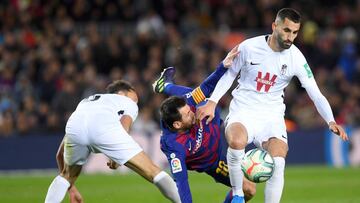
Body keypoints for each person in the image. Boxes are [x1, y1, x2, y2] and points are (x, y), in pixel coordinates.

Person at [196, 8, 349, 203]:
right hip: (244, 110)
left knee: (278, 159)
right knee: (236, 141)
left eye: (295, 32)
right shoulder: (248, 47)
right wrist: (212, 102)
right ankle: (238, 196)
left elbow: (315, 93)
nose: (290, 37)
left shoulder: (296, 58)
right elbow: (229, 75)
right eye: (286, 30)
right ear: (274, 26)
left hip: (272, 116)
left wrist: (330, 120)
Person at [44, 80, 181, 203]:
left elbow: (59, 155)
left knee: (66, 176)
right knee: (153, 171)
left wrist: (71, 187)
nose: (136, 100)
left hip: (74, 126)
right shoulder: (128, 102)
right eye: (134, 95)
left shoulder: (87, 102)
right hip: (105, 129)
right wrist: (114, 157)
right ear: (122, 93)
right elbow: (124, 126)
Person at [153, 46, 256, 203]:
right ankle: (165, 85)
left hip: (215, 127)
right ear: (177, 125)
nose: (192, 113)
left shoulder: (188, 104)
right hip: (214, 161)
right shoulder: (173, 145)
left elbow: (207, 87)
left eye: (190, 110)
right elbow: (182, 183)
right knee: (248, 189)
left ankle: (165, 86)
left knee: (194, 95)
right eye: (188, 114)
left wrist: (222, 65)